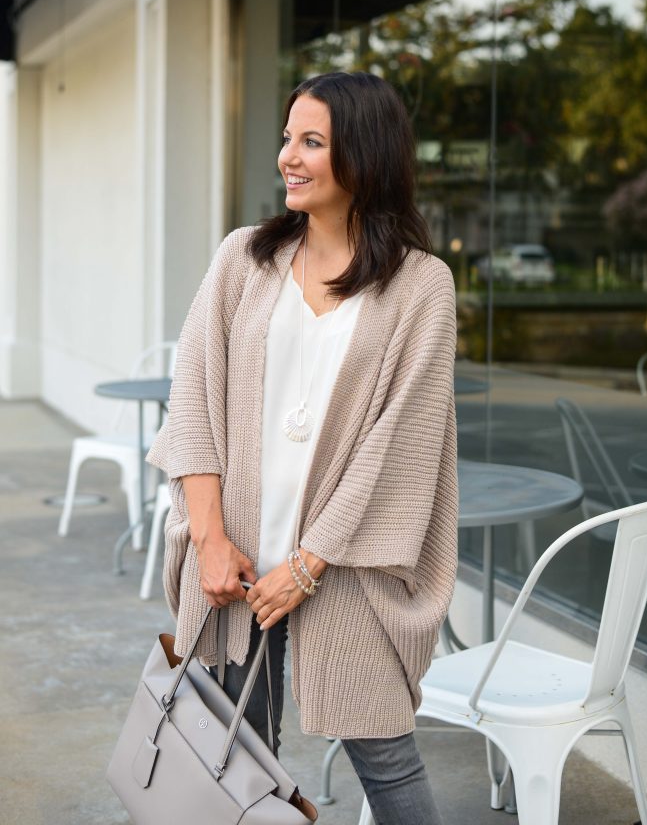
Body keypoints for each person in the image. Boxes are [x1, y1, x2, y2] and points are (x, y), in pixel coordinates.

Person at [147, 70, 457, 825]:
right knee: (234, 768)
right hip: (237, 567)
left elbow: (399, 448)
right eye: (287, 138)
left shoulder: (421, 287)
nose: (288, 156)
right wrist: (211, 539)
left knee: (386, 760)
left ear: (363, 155)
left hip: (345, 571)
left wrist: (310, 565)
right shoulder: (242, 261)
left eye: (311, 142)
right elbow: (192, 399)